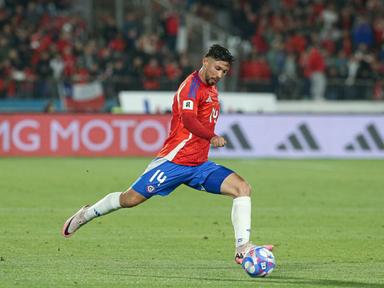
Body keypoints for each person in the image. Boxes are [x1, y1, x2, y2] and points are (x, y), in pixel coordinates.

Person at [62, 44, 273, 264]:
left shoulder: (211, 88)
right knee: (129, 200)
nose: (219, 75)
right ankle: (86, 214)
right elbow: (189, 121)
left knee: (242, 188)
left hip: (199, 165)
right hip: (173, 162)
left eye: (224, 72)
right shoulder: (190, 87)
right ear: (205, 61)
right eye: (217, 69)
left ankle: (242, 248)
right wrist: (211, 136)